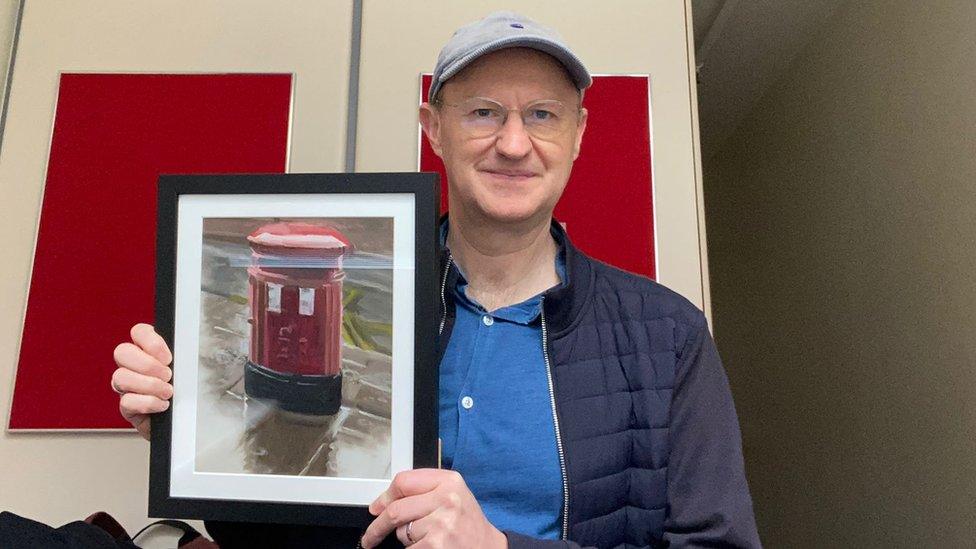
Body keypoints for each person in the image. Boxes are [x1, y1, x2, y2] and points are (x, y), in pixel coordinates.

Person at [112, 11, 761, 549]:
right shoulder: (385, 305)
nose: (513, 143)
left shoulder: (668, 336)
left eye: (542, 114)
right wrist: (188, 437)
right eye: (482, 112)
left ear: (578, 135)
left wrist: (502, 548)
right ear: (434, 130)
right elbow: (279, 534)